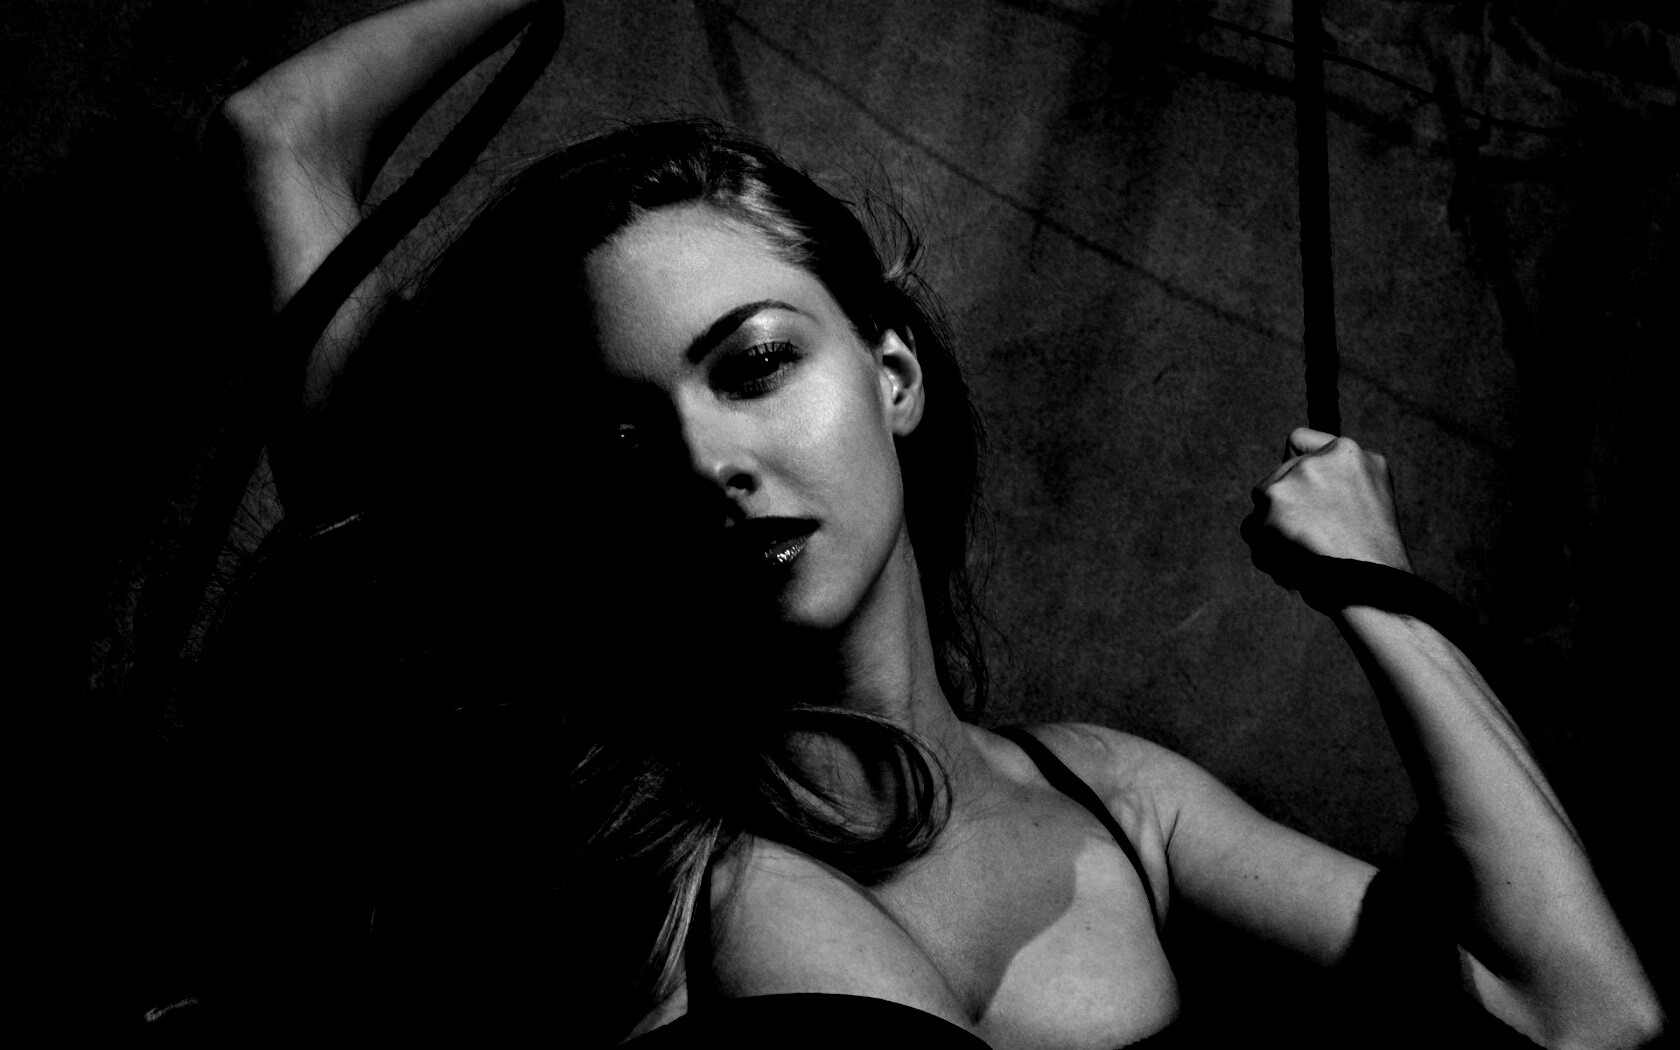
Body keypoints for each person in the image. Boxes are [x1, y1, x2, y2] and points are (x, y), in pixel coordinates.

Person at [185, 1, 1662, 1046]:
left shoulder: (1115, 799)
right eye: (631, 432)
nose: (709, 457)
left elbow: (1579, 1012)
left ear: (889, 376)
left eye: (756, 365)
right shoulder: (607, 816)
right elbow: (282, 136)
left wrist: (1372, 584)